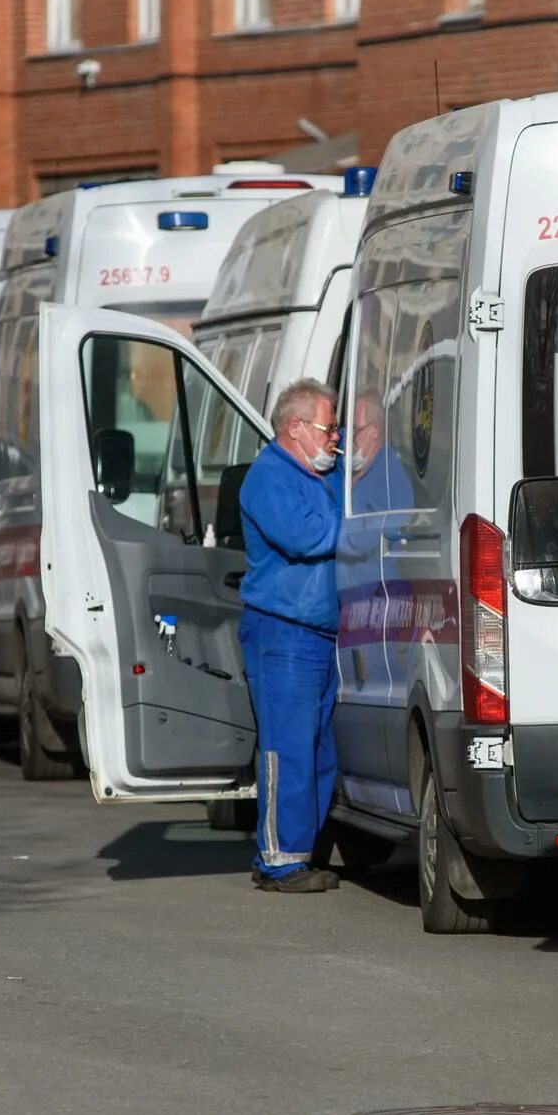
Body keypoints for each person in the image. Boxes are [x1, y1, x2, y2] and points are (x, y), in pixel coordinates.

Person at [237, 379, 345, 894]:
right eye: (328, 427)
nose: (335, 438)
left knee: (320, 749)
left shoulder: (324, 472)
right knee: (288, 748)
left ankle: (300, 850)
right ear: (294, 428)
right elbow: (307, 537)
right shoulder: (268, 477)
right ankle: (280, 860)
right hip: (284, 633)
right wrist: (354, 517)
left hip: (320, 634)